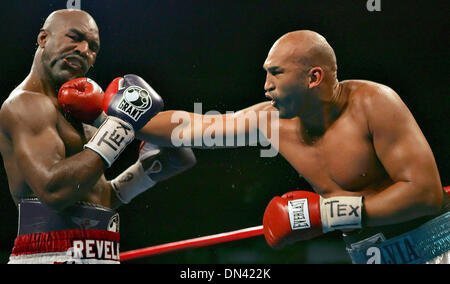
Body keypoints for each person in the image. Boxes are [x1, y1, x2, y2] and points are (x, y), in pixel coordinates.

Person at [135, 30, 449, 264]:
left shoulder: (373, 104)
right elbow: (194, 127)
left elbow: (425, 194)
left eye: (276, 73)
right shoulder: (270, 120)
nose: (266, 85)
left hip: (436, 247)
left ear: (314, 77)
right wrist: (124, 115)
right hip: (368, 256)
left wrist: (327, 214)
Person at [0, 9, 196, 264]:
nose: (84, 50)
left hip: (101, 251)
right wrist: (119, 127)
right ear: (43, 39)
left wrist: (141, 173)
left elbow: (181, 158)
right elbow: (54, 191)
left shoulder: (88, 114)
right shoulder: (25, 104)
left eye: (93, 47)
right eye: (74, 37)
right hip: (48, 255)